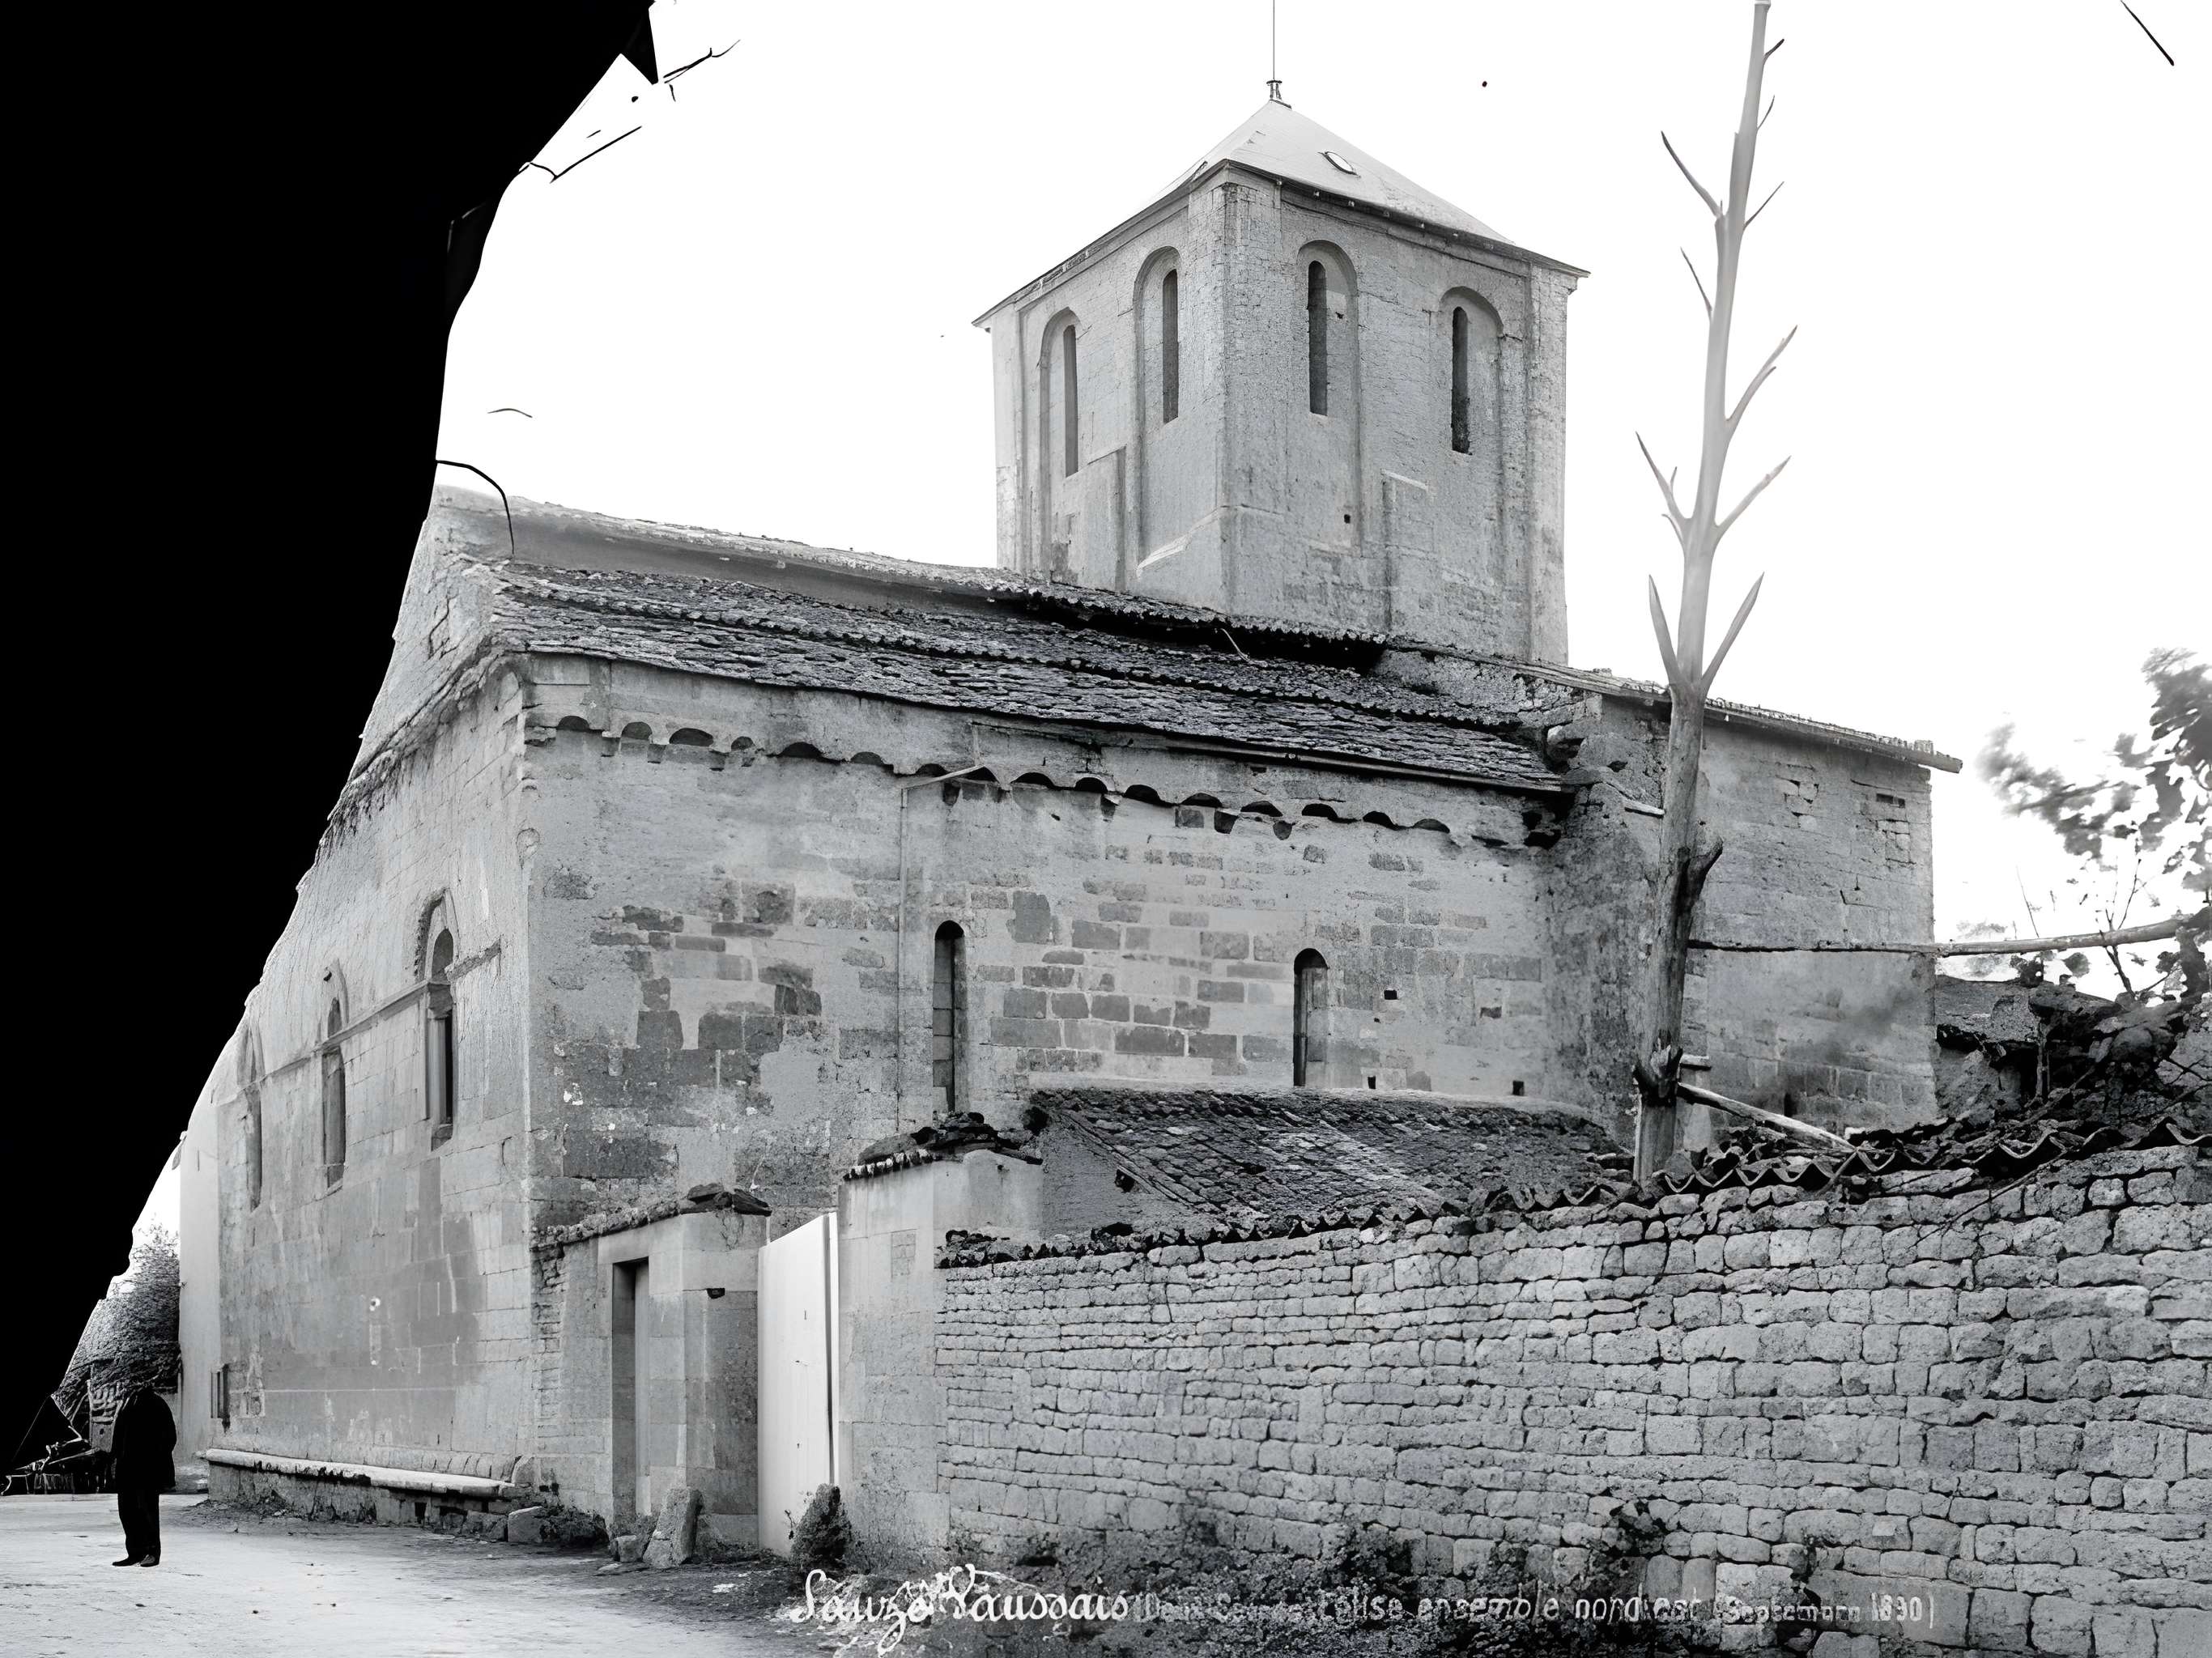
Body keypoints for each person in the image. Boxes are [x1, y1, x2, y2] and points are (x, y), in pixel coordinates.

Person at [109, 1386, 176, 1567]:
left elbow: (169, 1437)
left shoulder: (156, 1404)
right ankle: (135, 1552)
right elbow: (119, 1434)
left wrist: (153, 1458)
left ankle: (152, 1553)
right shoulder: (129, 1403)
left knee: (147, 1511)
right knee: (127, 1511)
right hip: (127, 1468)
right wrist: (115, 1459)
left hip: (147, 1469)